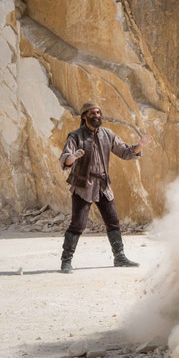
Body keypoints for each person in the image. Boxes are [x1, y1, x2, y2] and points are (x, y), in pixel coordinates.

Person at [58, 102, 152, 273]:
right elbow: (65, 159)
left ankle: (120, 257)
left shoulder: (107, 134)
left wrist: (140, 146)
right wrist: (73, 157)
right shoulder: (75, 136)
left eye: (98, 113)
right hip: (83, 186)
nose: (96, 116)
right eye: (92, 113)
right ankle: (66, 260)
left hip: (103, 185)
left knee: (113, 221)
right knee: (78, 224)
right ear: (84, 116)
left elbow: (125, 152)